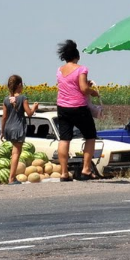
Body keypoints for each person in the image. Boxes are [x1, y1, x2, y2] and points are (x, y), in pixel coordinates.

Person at [55, 39, 101, 181]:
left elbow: (69, 85)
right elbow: (83, 88)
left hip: (62, 107)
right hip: (78, 107)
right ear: (77, 56)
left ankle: (63, 173)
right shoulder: (82, 69)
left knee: (64, 139)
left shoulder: (59, 70)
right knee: (90, 136)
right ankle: (86, 169)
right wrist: (93, 92)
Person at [0, 74, 39, 184]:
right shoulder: (23, 98)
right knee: (16, 153)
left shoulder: (6, 99)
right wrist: (35, 107)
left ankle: (12, 176)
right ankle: (11, 178)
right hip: (18, 127)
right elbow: (29, 113)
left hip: (8, 127)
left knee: (13, 152)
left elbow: (4, 117)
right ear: (20, 85)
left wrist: (2, 131)